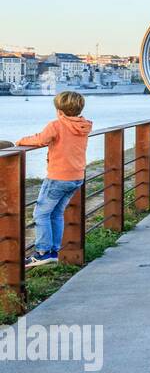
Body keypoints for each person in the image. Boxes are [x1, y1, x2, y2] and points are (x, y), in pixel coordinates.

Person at [18, 91, 91, 268]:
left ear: (59, 110)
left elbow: (41, 140)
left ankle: (42, 252)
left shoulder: (56, 125)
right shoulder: (84, 125)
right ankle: (53, 251)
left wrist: (21, 141)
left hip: (58, 176)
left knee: (41, 213)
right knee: (56, 213)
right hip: (76, 176)